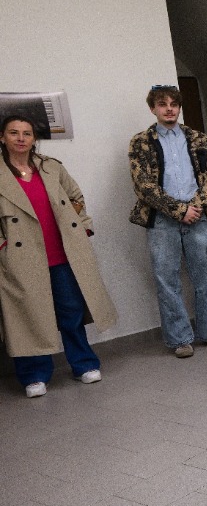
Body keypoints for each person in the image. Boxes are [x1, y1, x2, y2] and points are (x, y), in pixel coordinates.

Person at [0, 115, 118, 396]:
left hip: (62, 253)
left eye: (27, 133)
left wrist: (82, 228)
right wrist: (3, 247)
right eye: (14, 133)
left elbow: (76, 198)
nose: (21, 138)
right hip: (22, 257)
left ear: (34, 139)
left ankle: (83, 364)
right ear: (2, 137)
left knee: (71, 312)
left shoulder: (51, 167)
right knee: (29, 317)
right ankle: (34, 375)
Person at [128, 85, 207, 358]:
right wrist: (178, 210)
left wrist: (196, 206)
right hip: (162, 220)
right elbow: (143, 185)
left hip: (197, 215)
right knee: (167, 280)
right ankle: (180, 339)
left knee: (203, 277)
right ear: (153, 108)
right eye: (163, 104)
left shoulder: (197, 138)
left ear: (179, 107)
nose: (169, 109)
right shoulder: (141, 142)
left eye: (174, 104)